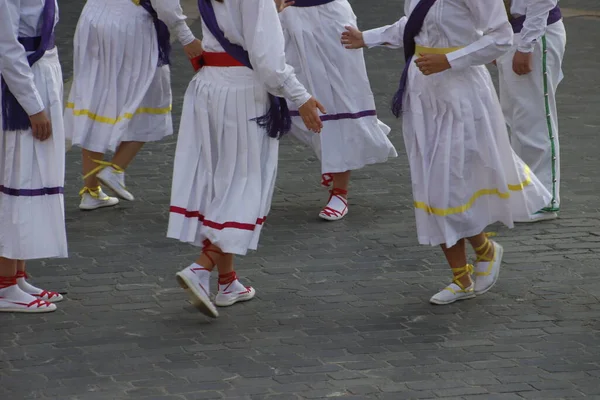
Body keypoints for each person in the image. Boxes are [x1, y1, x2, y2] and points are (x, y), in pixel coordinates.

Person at [342, 0, 551, 305]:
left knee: (449, 181)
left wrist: (450, 60)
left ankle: (482, 254)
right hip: (423, 94)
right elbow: (414, 26)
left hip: (462, 95)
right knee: (431, 182)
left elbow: (501, 37)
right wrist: (368, 37)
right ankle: (463, 275)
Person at [168, 0, 324, 318]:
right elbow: (269, 63)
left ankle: (228, 282)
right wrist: (301, 96)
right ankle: (202, 267)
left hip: (208, 86)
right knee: (246, 181)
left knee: (221, 181)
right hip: (242, 92)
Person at [64, 0, 203, 211]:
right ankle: (116, 168)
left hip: (93, 17)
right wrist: (187, 38)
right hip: (129, 26)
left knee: (97, 97)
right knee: (153, 93)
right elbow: (165, 5)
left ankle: (91, 191)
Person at [275, 0, 397, 221]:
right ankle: (246, 189)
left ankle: (339, 193)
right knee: (276, 99)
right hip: (285, 15)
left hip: (330, 17)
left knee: (339, 102)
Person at [0, 0, 66, 313]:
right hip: (22, 89)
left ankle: (17, 274)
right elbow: (6, 48)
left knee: (32, 177)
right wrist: (33, 106)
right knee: (17, 179)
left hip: (42, 78)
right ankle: (4, 284)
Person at [496, 0, 566, 223]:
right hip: (513, 31)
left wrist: (526, 45)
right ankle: (525, 193)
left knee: (535, 119)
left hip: (534, 31)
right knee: (517, 118)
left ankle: (544, 200)